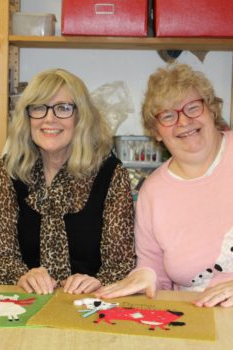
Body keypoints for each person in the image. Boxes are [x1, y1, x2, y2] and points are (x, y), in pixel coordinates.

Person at [0, 68, 135, 295]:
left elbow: (122, 266)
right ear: (27, 117)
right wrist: (21, 276)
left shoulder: (110, 173)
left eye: (63, 108)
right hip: (26, 305)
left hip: (91, 305)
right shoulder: (11, 169)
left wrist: (97, 281)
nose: (49, 118)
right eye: (39, 107)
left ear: (81, 117)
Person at [95, 63, 233, 308]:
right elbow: (153, 268)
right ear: (156, 132)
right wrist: (145, 275)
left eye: (192, 107)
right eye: (168, 115)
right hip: (197, 321)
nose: (183, 122)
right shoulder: (153, 192)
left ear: (211, 109)